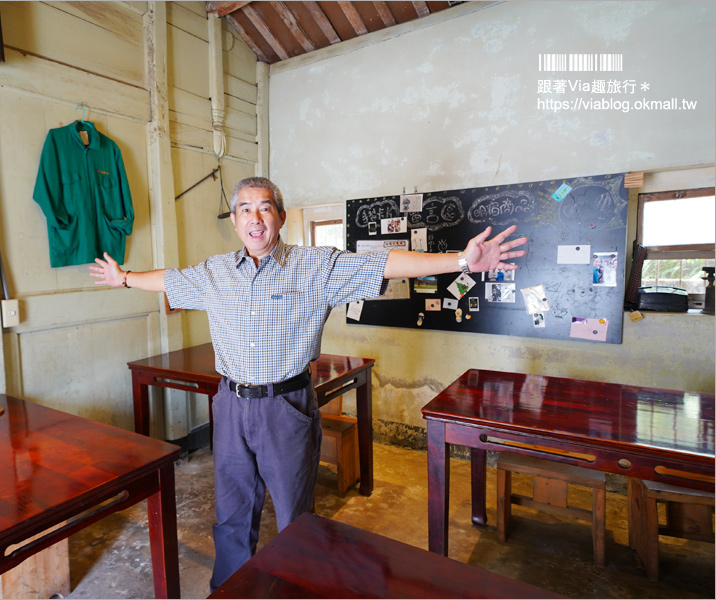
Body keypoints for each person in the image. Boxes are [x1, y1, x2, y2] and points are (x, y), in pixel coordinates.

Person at [89, 176, 527, 590]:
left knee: (295, 517)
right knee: (231, 515)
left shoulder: (315, 266)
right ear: (236, 221)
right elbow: (168, 280)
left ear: (279, 217)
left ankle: (297, 589)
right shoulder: (214, 273)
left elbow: (385, 264)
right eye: (244, 209)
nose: (254, 217)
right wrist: (124, 277)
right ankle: (229, 590)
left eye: (264, 208)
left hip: (285, 406)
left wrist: (461, 261)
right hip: (230, 404)